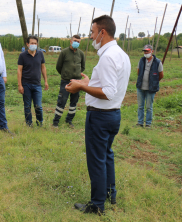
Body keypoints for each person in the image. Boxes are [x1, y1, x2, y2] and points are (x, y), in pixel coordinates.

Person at [65, 15, 131, 215]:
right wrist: (88, 83)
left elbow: (108, 92)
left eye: (92, 32)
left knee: (96, 161)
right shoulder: (121, 55)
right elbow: (110, 86)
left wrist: (81, 88)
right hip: (113, 115)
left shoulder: (108, 57)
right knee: (106, 156)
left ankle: (97, 204)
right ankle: (111, 193)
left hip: (100, 117)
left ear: (102, 32)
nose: (90, 36)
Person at [53, 34, 85, 128]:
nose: (76, 43)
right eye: (75, 41)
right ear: (71, 41)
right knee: (62, 101)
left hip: (77, 82)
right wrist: (65, 74)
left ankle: (69, 120)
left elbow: (82, 67)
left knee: (74, 102)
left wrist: (77, 75)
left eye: (78, 41)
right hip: (65, 81)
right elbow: (58, 66)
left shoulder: (81, 54)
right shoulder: (64, 52)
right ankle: (55, 122)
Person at [17, 36, 49, 127]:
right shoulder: (22, 55)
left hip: (37, 84)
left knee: (38, 106)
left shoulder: (40, 54)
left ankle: (40, 122)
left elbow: (43, 68)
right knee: (27, 106)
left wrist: (45, 81)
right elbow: (19, 70)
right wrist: (20, 85)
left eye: (35, 43)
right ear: (27, 44)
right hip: (26, 84)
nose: (33, 45)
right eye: (31, 43)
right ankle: (29, 123)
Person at [136, 44, 164, 128]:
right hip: (140, 87)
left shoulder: (157, 62)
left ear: (152, 51)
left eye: (147, 51)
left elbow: (161, 75)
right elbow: (138, 72)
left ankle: (148, 124)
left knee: (149, 107)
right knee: (140, 106)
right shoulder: (141, 60)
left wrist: (154, 82)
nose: (145, 52)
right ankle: (140, 123)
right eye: (144, 51)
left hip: (151, 89)